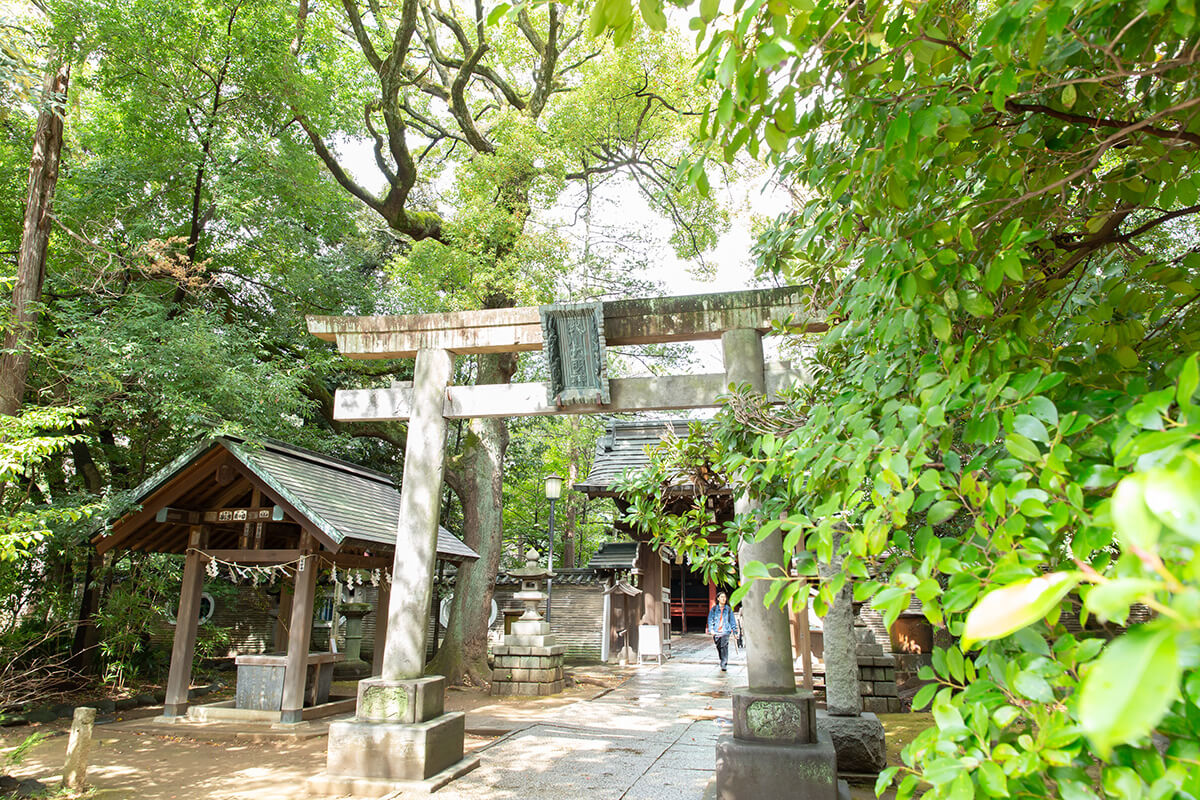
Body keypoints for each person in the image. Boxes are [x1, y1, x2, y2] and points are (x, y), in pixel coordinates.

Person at [706, 591, 738, 671]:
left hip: (725, 631)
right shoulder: (713, 609)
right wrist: (711, 630)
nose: (723, 599)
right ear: (718, 599)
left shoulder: (728, 609)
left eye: (724, 597)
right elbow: (710, 620)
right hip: (716, 631)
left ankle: (724, 663)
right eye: (721, 597)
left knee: (724, 647)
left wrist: (735, 632)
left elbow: (732, 621)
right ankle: (722, 660)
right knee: (719, 647)